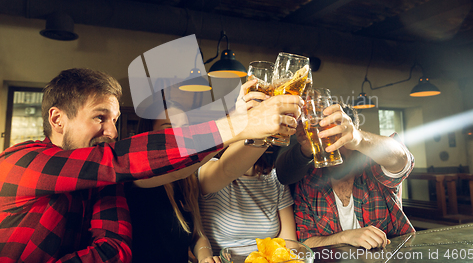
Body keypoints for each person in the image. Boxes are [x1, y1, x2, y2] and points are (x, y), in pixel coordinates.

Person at [0, 68, 302, 263]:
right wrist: (236, 124)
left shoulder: (106, 183)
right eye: (100, 117)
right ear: (57, 119)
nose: (113, 132)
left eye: (115, 121)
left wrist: (258, 133)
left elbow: (114, 251)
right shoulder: (20, 162)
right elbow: (121, 159)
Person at [275, 102, 415, 250]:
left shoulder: (373, 164)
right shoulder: (309, 180)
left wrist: (359, 138)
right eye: (327, 140)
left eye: (339, 139)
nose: (332, 149)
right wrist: (344, 237)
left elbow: (402, 159)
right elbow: (305, 242)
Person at [198, 87, 298, 256]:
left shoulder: (273, 177)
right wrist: (258, 126)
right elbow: (226, 170)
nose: (258, 124)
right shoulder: (207, 168)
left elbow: (290, 243)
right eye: (252, 119)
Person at [124, 100, 219, 263]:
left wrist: (205, 257)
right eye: (169, 128)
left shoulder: (186, 180)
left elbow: (197, 234)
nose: (180, 135)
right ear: (148, 133)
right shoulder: (134, 175)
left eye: (184, 128)